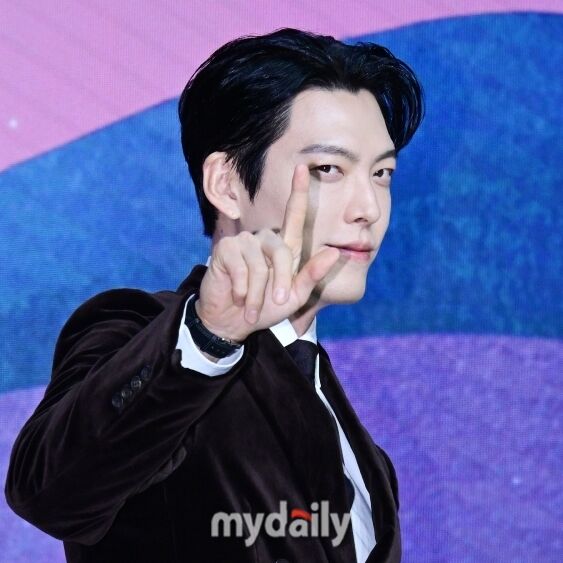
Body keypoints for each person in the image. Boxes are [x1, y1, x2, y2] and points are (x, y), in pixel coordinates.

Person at [5, 28, 423, 563]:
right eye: (328, 169)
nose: (368, 207)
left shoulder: (367, 460)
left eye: (382, 173)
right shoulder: (144, 338)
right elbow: (51, 494)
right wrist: (210, 333)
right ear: (227, 185)